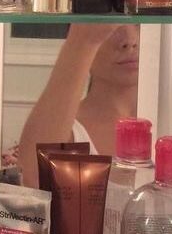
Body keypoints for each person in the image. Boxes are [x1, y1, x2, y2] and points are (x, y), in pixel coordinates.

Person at [17, 24, 139, 188]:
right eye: (112, 26)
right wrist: (84, 41)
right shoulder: (69, 130)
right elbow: (32, 180)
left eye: (138, 24)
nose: (130, 41)